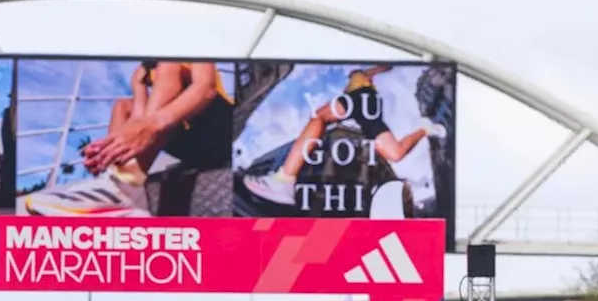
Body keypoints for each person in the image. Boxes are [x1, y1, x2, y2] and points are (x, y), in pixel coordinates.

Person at [23, 61, 233, 217]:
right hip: (188, 141)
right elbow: (139, 119)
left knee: (169, 66)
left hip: (221, 129)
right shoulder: (140, 73)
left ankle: (124, 185)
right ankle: (121, 184)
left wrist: (152, 126)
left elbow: (206, 89)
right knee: (123, 105)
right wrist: (116, 147)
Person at [243, 64, 447, 206]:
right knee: (395, 153)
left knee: (318, 117)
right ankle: (425, 129)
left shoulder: (360, 77)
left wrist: (378, 68)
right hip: (365, 110)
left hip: (360, 100)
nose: (349, 77)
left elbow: (380, 69)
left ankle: (284, 179)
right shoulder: (354, 86)